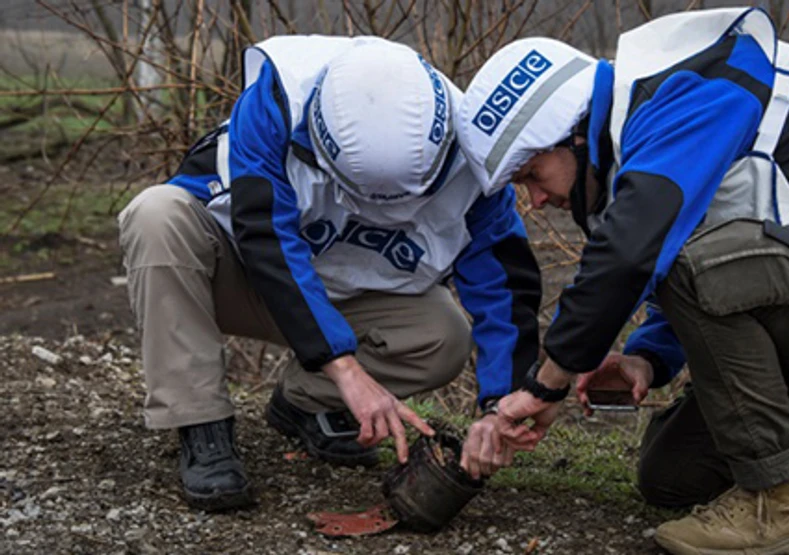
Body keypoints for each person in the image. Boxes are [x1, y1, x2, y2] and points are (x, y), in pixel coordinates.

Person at [454, 7, 789, 555]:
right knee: (674, 473)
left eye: (531, 175)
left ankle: (785, 502)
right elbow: (724, 253)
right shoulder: (659, 124)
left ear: (573, 134)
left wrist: (547, 383)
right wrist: (647, 358)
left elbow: (639, 253)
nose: (537, 199)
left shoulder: (697, 90)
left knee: (693, 261)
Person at [117, 35, 541, 511]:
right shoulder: (277, 104)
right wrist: (344, 368)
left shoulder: (474, 151)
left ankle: (304, 403)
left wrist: (502, 404)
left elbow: (503, 287)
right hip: (243, 275)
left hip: (352, 296)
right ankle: (201, 424)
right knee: (156, 215)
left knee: (443, 336)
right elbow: (266, 240)